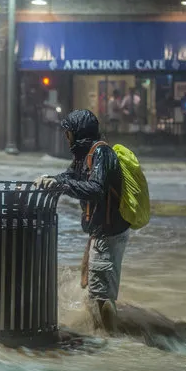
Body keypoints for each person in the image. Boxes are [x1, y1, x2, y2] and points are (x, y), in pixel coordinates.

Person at [34, 109, 130, 332]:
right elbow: (70, 176)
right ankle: (102, 334)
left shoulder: (101, 153)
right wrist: (52, 180)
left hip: (109, 233)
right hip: (100, 232)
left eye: (68, 133)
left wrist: (63, 186)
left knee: (101, 296)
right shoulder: (84, 155)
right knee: (94, 289)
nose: (66, 138)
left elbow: (96, 189)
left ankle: (114, 343)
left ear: (78, 133)